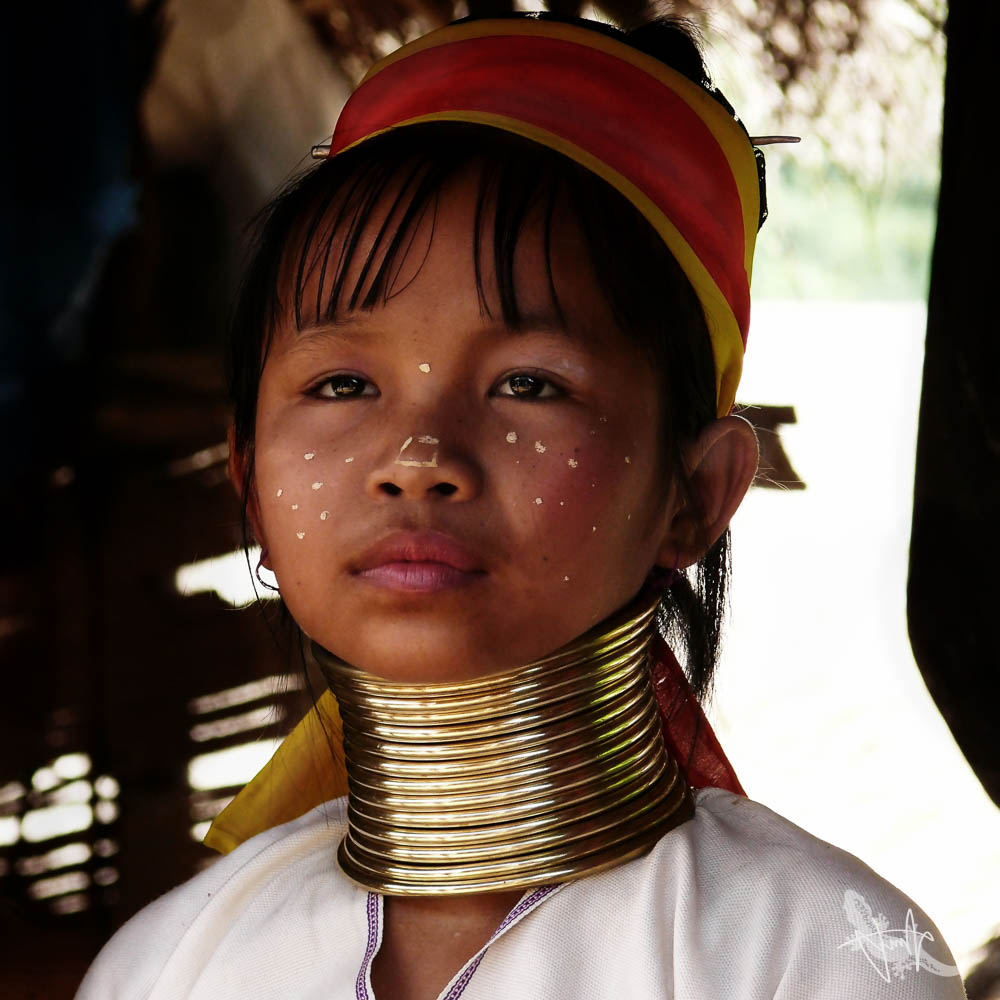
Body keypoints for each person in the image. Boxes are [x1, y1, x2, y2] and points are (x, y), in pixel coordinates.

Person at [76, 11, 968, 1000]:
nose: (417, 460)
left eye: (528, 384)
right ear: (246, 472)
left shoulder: (815, 957)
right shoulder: (167, 970)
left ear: (696, 493)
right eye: (341, 385)